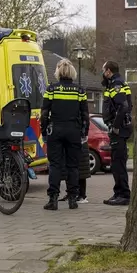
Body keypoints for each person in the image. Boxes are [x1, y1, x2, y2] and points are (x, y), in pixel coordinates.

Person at [41, 59, 89, 211]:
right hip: (73, 130)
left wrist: (44, 131)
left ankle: (53, 199)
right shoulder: (79, 90)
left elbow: (44, 113)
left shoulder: (52, 89)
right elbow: (85, 115)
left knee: (55, 165)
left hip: (55, 130)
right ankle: (73, 199)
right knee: (73, 166)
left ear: (58, 72)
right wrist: (84, 132)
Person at [101, 61, 132, 206]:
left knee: (118, 163)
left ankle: (124, 194)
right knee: (115, 163)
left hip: (119, 130)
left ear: (108, 71)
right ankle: (118, 192)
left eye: (103, 70)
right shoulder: (114, 83)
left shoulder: (116, 84)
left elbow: (123, 106)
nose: (103, 73)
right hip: (119, 128)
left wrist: (115, 126)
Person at [59, 139, 90, 203]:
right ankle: (71, 194)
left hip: (80, 145)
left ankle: (82, 195)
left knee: (81, 172)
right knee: (69, 171)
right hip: (71, 145)